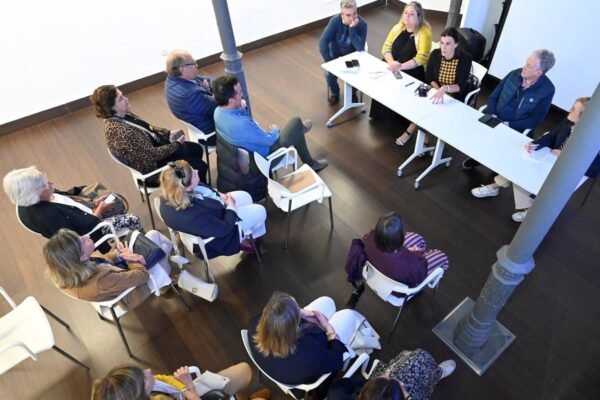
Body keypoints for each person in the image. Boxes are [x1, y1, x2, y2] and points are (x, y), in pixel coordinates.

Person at [471, 97, 599, 222]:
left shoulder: (594, 140)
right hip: (550, 159)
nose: (569, 110)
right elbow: (551, 136)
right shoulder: (568, 121)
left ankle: (533, 209)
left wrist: (567, 155)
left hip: (569, 170)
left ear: (584, 118)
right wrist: (535, 144)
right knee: (522, 163)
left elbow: (594, 169)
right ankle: (496, 186)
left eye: (574, 110)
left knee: (534, 175)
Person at [91, 85, 208, 186]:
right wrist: (176, 144)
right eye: (121, 99)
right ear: (111, 107)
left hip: (153, 150)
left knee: (196, 149)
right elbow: (152, 155)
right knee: (199, 166)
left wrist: (167, 133)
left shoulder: (123, 115)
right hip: (152, 170)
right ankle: (193, 189)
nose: (126, 99)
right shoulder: (122, 132)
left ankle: (192, 184)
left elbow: (148, 128)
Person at [3, 166, 142, 248]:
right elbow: (82, 232)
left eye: (45, 178)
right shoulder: (49, 217)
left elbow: (65, 197)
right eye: (45, 184)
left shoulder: (31, 198)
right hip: (91, 230)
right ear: (34, 195)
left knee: (110, 201)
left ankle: (127, 238)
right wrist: (100, 210)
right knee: (133, 219)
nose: (51, 183)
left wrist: (91, 202)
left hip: (85, 213)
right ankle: (140, 245)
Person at [212, 75, 329, 172]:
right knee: (295, 122)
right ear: (231, 101)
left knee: (295, 131)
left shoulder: (217, 112)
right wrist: (274, 130)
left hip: (248, 156)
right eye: (239, 92)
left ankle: (299, 132)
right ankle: (309, 159)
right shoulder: (241, 124)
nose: (242, 94)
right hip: (266, 157)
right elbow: (269, 140)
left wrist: (242, 109)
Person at [462, 49, 556, 169]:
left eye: (529, 66)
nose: (524, 67)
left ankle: (499, 167)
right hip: (495, 116)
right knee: (474, 132)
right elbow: (493, 96)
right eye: (526, 62)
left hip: (516, 127)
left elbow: (535, 120)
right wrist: (493, 114)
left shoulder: (547, 90)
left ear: (539, 72)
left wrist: (508, 124)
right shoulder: (514, 74)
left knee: (505, 148)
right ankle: (479, 157)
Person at [248, 292, 362, 386]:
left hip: (277, 366)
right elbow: (337, 359)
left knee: (327, 301)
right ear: (294, 327)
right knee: (348, 315)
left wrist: (301, 313)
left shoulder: (254, 325)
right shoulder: (309, 355)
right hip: (304, 368)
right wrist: (329, 329)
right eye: (297, 309)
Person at [44, 228, 174, 310]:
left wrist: (119, 255)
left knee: (154, 238)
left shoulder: (67, 269)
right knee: (160, 247)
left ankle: (172, 258)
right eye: (83, 240)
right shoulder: (101, 281)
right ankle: (168, 279)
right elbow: (143, 276)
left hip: (119, 278)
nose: (87, 236)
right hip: (132, 292)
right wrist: (131, 259)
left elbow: (102, 261)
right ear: (82, 256)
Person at [158, 160, 267, 257]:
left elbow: (202, 191)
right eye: (193, 173)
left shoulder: (173, 192)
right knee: (261, 211)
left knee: (246, 196)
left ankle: (248, 231)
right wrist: (231, 207)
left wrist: (218, 195)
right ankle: (245, 238)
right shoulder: (192, 216)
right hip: (220, 236)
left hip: (214, 213)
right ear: (186, 186)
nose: (196, 171)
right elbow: (223, 229)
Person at [344, 212, 449, 308]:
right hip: (399, 292)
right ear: (401, 239)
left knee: (418, 239)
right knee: (441, 256)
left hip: (376, 276)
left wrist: (407, 252)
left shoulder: (368, 238)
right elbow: (419, 277)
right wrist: (416, 253)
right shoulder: (414, 264)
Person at [397, 27, 472, 146]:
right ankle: (425, 139)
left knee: (431, 107)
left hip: (453, 96)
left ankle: (411, 131)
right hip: (435, 89)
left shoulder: (465, 59)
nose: (443, 47)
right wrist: (438, 90)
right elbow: (429, 78)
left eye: (448, 44)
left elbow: (460, 86)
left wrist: (445, 89)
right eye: (442, 43)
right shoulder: (435, 54)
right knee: (428, 104)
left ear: (456, 44)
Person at [369, 1, 432, 144]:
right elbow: (386, 47)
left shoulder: (425, 33)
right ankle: (381, 115)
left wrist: (401, 67)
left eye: (411, 14)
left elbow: (421, 58)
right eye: (405, 13)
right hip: (393, 65)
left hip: (411, 70)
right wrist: (392, 63)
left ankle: (399, 122)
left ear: (418, 16)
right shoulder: (397, 27)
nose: (407, 17)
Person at [328, 349, 455, 400]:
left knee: (409, 362)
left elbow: (344, 384)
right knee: (417, 361)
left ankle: (433, 373)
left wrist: (372, 386)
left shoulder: (337, 395)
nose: (401, 382)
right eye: (402, 388)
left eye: (386, 377)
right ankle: (436, 375)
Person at [90, 363, 269, 400]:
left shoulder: (149, 387)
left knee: (244, 370)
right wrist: (188, 387)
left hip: (187, 394)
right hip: (192, 394)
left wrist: (184, 389)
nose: (148, 371)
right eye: (144, 377)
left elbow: (163, 378)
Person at [319, 0, 368, 106]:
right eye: (348, 15)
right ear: (342, 14)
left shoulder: (362, 24)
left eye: (354, 14)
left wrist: (352, 29)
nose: (352, 18)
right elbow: (323, 43)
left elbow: (360, 47)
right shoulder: (335, 21)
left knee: (356, 73)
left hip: (353, 58)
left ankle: (353, 93)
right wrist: (329, 62)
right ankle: (335, 93)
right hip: (336, 57)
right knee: (328, 73)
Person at [165, 50, 217, 144]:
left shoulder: (174, 78)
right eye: (193, 63)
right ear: (182, 68)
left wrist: (208, 88)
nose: (197, 65)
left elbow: (209, 79)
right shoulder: (190, 94)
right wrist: (209, 90)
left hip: (198, 123)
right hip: (212, 134)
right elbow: (221, 104)